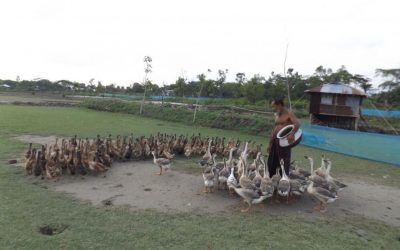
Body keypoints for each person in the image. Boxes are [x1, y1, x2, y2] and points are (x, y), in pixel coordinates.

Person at [267, 97, 300, 177]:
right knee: (272, 161)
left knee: (283, 161)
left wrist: (292, 133)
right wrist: (270, 143)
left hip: (284, 142)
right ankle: (272, 178)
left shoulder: (289, 114)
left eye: (274, 106)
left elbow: (297, 123)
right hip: (275, 142)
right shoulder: (278, 116)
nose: (273, 109)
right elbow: (274, 130)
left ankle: (284, 179)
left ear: (279, 105)